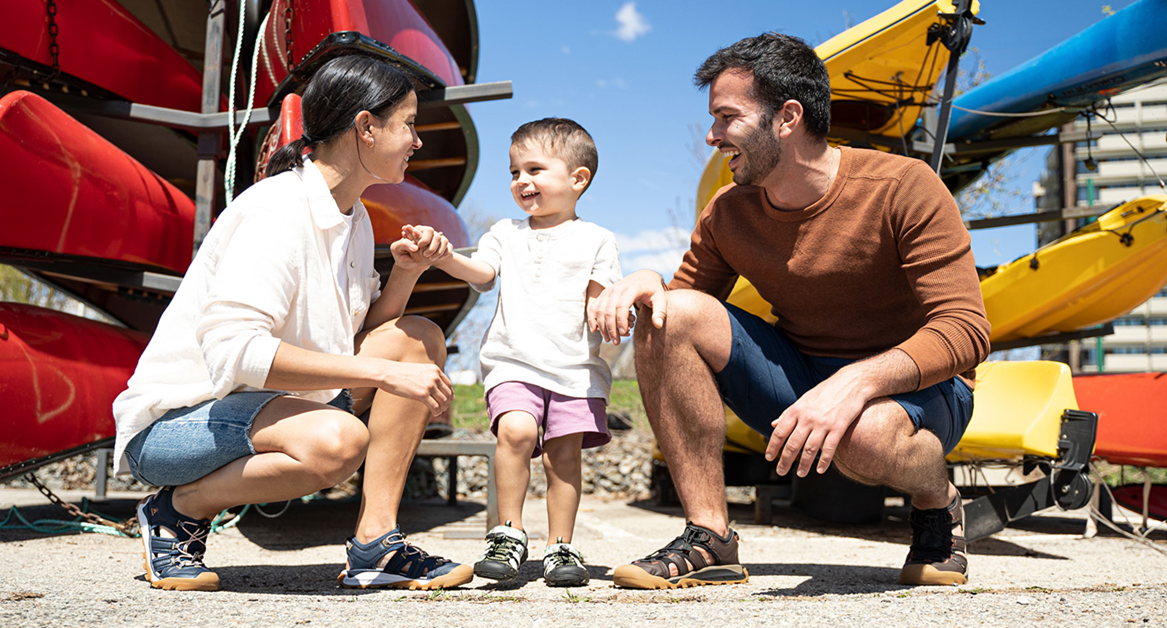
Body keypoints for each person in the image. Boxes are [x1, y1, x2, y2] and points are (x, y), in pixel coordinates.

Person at [589, 33, 990, 589]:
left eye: (727, 117)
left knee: (866, 433)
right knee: (668, 314)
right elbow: (682, 311)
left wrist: (856, 382)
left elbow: (966, 331)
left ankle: (936, 499)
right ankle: (711, 536)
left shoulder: (904, 186)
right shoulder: (729, 212)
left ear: (787, 118)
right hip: (801, 376)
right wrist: (645, 280)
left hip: (925, 390)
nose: (712, 136)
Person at [111, 56, 471, 592]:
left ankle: (376, 544)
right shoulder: (277, 211)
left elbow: (356, 341)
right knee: (339, 441)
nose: (418, 140)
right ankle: (175, 509)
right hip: (175, 429)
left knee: (419, 337)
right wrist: (384, 376)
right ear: (366, 127)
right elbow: (237, 352)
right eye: (409, 124)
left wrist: (404, 276)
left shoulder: (355, 216)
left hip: (274, 411)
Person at [419, 118, 622, 586]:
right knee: (514, 431)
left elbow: (598, 298)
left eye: (534, 169)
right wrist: (444, 255)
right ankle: (508, 533)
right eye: (513, 172)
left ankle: (561, 546)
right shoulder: (504, 232)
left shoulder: (597, 239)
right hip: (513, 361)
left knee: (562, 456)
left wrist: (610, 318)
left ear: (578, 179)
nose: (521, 181)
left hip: (575, 369)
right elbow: (482, 273)